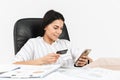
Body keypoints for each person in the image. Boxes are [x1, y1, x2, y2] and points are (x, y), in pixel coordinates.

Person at [13, 10, 92, 67]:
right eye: (55, 28)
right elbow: (15, 64)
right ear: (45, 26)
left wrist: (86, 62)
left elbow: (89, 61)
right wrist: (41, 61)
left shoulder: (66, 43)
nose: (59, 32)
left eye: (61, 28)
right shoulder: (33, 43)